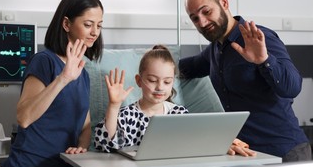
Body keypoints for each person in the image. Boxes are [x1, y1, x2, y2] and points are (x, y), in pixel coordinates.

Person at [1, 0, 104, 167]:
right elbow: (24, 117)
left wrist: (82, 146)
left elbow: (85, 124)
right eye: (88, 24)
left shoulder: (83, 74)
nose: (94, 32)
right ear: (66, 23)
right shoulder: (45, 62)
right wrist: (63, 78)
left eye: (99, 25)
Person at [179, 0, 311, 162]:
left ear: (223, 2)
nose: (202, 22)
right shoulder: (215, 50)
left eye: (206, 12)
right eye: (194, 18)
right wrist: (153, 61)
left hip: (284, 151)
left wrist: (264, 60)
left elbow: (292, 87)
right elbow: (190, 66)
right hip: (247, 155)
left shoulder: (258, 37)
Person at [94, 45, 254, 156]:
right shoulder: (127, 116)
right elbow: (106, 143)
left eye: (167, 82)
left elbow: (196, 140)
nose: (159, 87)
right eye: (152, 80)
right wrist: (114, 106)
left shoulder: (179, 114)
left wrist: (223, 142)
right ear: (139, 80)